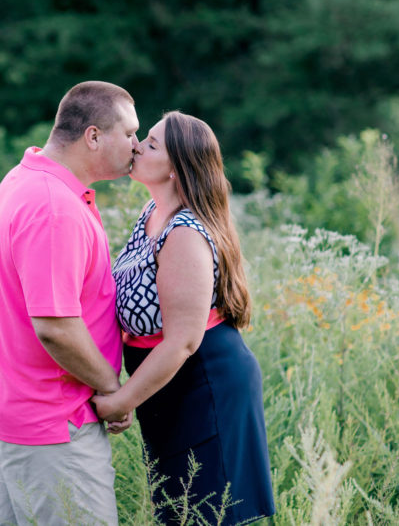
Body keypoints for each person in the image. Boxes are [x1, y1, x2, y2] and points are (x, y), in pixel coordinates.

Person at [92, 111, 275, 525]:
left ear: (177, 169)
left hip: (203, 384)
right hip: (168, 387)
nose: (137, 145)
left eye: (151, 144)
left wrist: (122, 399)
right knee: (179, 511)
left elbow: (183, 341)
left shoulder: (185, 232)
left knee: (206, 513)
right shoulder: (151, 213)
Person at [0, 81, 139, 526]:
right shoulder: (54, 207)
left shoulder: (26, 177)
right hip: (52, 424)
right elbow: (55, 326)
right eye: (129, 134)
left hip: (17, 411)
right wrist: (113, 389)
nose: (136, 146)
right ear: (93, 136)